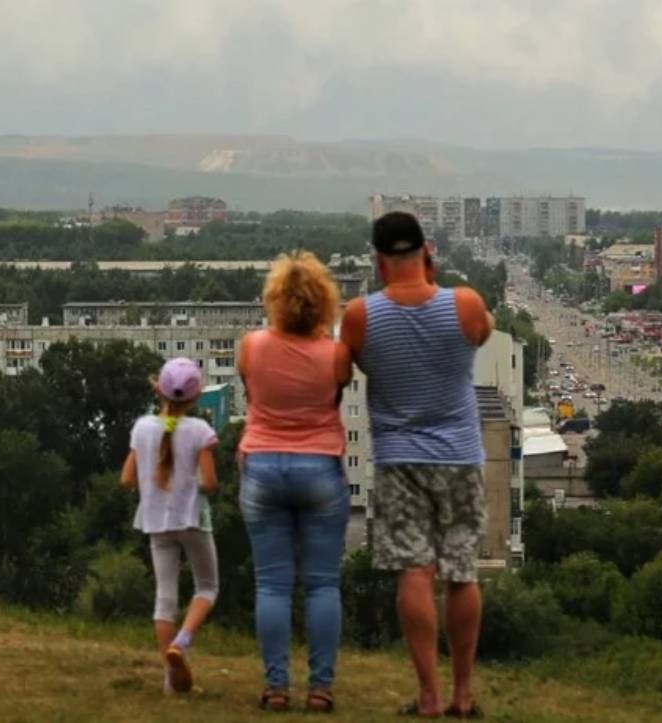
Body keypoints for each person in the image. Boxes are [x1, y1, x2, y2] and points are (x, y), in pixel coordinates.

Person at [340, 212, 492, 719]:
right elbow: (483, 333)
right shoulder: (465, 304)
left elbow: (351, 364)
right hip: (460, 456)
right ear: (427, 251)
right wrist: (434, 279)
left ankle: (428, 696)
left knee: (414, 571)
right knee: (461, 572)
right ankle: (463, 695)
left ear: (379, 261)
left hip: (398, 458)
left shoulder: (360, 315)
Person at [237, 250, 352, 713]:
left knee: (272, 586)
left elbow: (251, 391)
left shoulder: (252, 347)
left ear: (275, 300)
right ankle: (321, 688)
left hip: (262, 467)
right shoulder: (336, 355)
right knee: (323, 585)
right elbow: (334, 396)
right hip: (320, 468)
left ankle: (276, 686)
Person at [121, 357, 220, 694]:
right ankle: (182, 641)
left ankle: (170, 679)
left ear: (158, 390)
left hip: (155, 521)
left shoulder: (141, 427)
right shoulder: (201, 431)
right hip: (193, 519)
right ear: (195, 397)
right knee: (207, 587)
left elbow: (127, 478)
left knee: (165, 599)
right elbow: (209, 483)